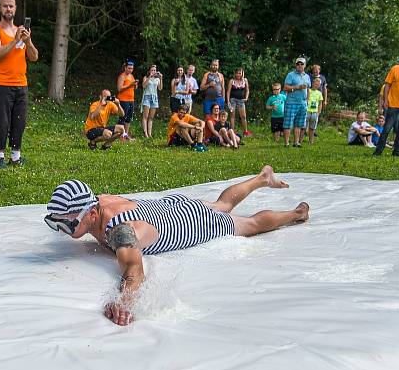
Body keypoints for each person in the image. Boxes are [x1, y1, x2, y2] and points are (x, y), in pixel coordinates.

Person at [43, 166, 310, 325]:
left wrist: (122, 302)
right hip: (169, 204)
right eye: (56, 224)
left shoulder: (119, 230)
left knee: (249, 225)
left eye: (67, 224)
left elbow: (134, 269)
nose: (63, 230)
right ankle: (262, 178)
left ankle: (297, 214)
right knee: (223, 204)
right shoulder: (101, 200)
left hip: (192, 221)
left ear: (91, 214)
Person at [0, 0, 39, 169]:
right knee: (3, 121)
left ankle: (15, 157)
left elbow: (34, 57)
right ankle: (0, 156)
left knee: (19, 121)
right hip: (2, 84)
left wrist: (28, 41)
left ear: (16, 8)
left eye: (11, 6)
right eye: (5, 6)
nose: (8, 9)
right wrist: (15, 41)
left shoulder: (21, 31)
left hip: (21, 84)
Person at [283, 57, 311, 147]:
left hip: (303, 103)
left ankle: (296, 142)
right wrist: (297, 87)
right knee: (288, 123)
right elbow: (285, 88)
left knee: (299, 123)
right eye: (298, 64)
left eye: (302, 64)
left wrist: (307, 99)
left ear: (305, 65)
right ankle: (287, 143)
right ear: (295, 65)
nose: (300, 65)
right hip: (291, 102)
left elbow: (308, 89)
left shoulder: (307, 76)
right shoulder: (291, 75)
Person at [116, 60, 138, 140]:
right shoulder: (122, 76)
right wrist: (130, 85)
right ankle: (119, 135)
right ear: (125, 68)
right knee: (122, 117)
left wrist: (135, 85)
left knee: (129, 118)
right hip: (123, 100)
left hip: (131, 99)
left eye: (132, 68)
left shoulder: (131, 76)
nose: (130, 70)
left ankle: (126, 135)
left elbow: (134, 88)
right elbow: (119, 88)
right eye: (129, 68)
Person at [226, 67, 251, 136]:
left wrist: (246, 97)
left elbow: (247, 90)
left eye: (240, 73)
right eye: (237, 73)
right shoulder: (232, 81)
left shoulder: (245, 80)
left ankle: (245, 131)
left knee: (243, 116)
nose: (238, 75)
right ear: (235, 73)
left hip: (241, 100)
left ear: (242, 73)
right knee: (232, 116)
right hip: (232, 100)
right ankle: (232, 131)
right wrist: (228, 101)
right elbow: (228, 92)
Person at [140, 65, 162, 138]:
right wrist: (149, 76)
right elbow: (143, 86)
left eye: (154, 70)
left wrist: (161, 78)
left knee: (151, 117)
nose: (153, 72)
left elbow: (160, 88)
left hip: (154, 98)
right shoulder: (146, 78)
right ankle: (145, 133)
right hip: (147, 97)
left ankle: (150, 133)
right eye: (152, 70)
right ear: (149, 71)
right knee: (145, 116)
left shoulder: (157, 79)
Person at [305, 77, 325, 144]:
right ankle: (299, 140)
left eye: (318, 85)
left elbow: (320, 104)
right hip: (307, 110)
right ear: (312, 83)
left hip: (315, 112)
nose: (316, 86)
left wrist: (319, 112)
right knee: (303, 126)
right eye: (315, 84)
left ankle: (311, 141)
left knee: (312, 127)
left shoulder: (319, 93)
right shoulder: (308, 91)